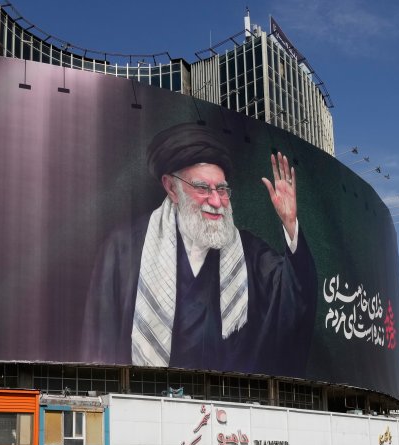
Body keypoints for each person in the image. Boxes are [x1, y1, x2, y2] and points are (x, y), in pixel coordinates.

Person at [83, 122, 317, 376]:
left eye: (222, 189)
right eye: (203, 188)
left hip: (226, 396)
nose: (216, 201)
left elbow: (293, 296)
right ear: (171, 188)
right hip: (145, 392)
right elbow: (100, 347)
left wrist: (290, 223)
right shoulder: (123, 250)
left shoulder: (249, 252)